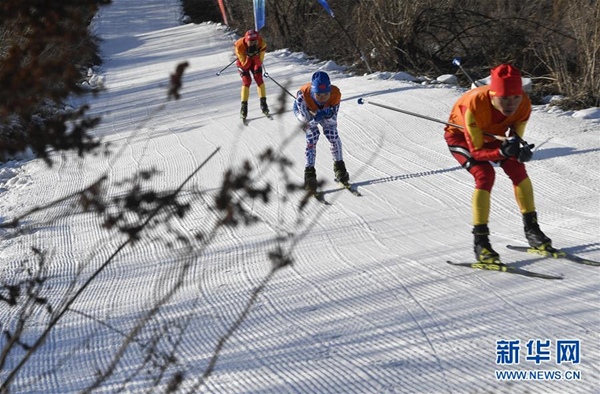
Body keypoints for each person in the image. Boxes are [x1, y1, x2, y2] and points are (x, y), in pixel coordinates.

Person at [444, 64, 552, 263]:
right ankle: (481, 243)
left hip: (495, 137)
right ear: (493, 96)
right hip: (461, 138)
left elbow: (516, 138)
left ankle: (533, 231)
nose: (511, 104)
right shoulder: (474, 105)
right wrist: (502, 151)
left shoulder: (524, 104)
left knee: (518, 169)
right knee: (485, 175)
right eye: (504, 98)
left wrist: (520, 151)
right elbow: (476, 151)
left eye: (515, 97)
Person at [293, 71, 349, 192]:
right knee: (312, 135)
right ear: (313, 92)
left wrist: (328, 115)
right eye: (318, 95)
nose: (323, 98)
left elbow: (333, 121)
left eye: (326, 94)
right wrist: (314, 119)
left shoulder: (335, 94)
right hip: (305, 113)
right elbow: (306, 124)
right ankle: (309, 173)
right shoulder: (302, 97)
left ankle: (339, 167)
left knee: (332, 135)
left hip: (323, 112)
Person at [234, 29, 269, 119]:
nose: (253, 44)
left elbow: (259, 63)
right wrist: (249, 57)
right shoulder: (239, 46)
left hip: (255, 61)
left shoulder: (262, 44)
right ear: (246, 41)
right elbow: (244, 66)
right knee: (247, 81)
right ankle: (244, 106)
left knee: (258, 78)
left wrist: (256, 56)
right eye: (251, 42)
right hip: (243, 62)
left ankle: (263, 103)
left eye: (255, 41)